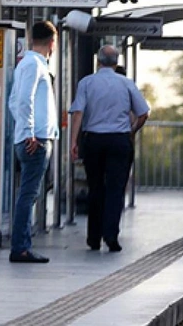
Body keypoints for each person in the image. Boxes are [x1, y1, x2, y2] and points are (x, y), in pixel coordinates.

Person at [69, 45, 150, 252]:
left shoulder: (86, 82)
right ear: (116, 62)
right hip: (118, 140)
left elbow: (78, 112)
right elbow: (143, 113)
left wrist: (74, 142)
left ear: (98, 61)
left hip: (93, 140)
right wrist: (132, 131)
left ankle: (93, 237)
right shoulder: (126, 83)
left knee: (95, 188)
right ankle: (111, 235)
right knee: (115, 189)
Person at [7, 20, 59, 263]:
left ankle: (22, 245)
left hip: (33, 137)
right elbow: (23, 100)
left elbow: (12, 102)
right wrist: (28, 133)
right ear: (52, 42)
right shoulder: (33, 65)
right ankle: (21, 247)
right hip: (35, 140)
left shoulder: (28, 64)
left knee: (28, 193)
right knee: (28, 194)